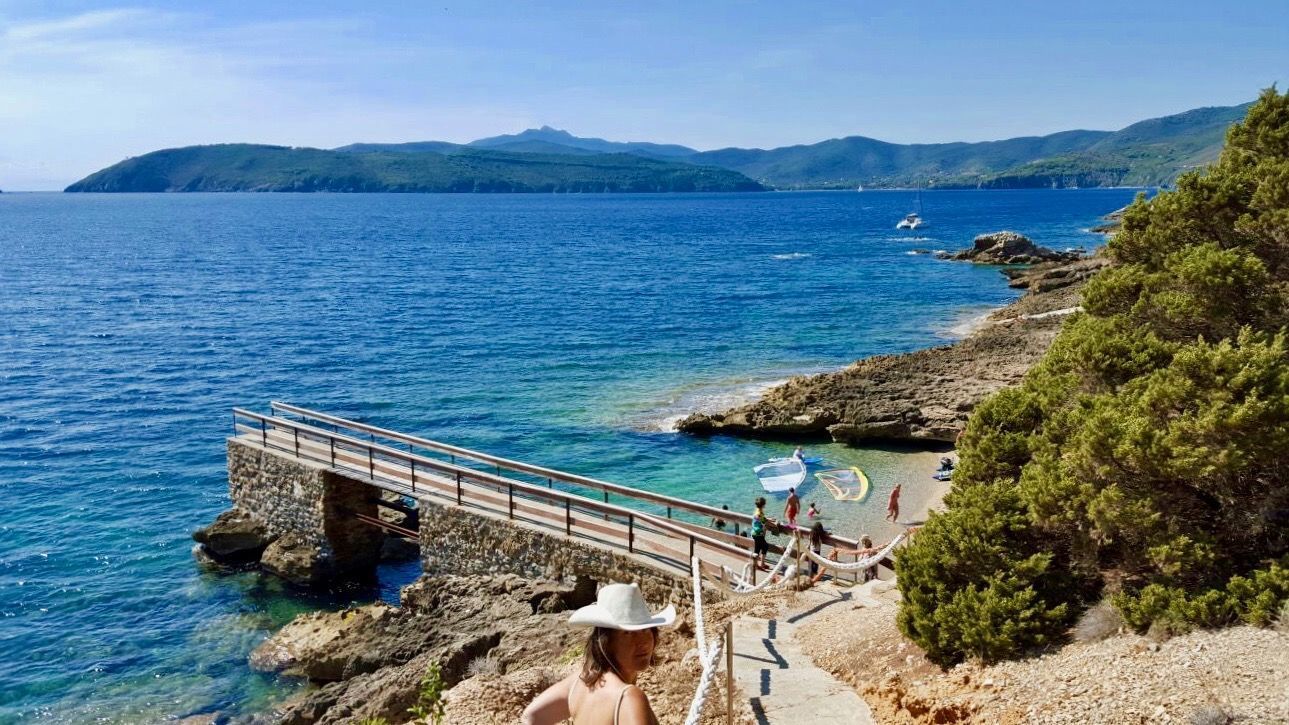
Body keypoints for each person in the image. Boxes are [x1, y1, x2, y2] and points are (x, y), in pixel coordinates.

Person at [522, 583, 673, 725]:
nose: (642, 642)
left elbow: (531, 716)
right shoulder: (628, 698)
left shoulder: (580, 682)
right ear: (606, 641)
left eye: (645, 629)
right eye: (628, 633)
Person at [751, 496, 772, 571]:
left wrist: (769, 519)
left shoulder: (757, 511)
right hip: (758, 533)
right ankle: (759, 564)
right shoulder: (760, 513)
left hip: (755, 532)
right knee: (765, 546)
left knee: (758, 548)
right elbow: (764, 521)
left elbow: (762, 519)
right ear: (763, 505)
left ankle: (757, 564)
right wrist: (773, 524)